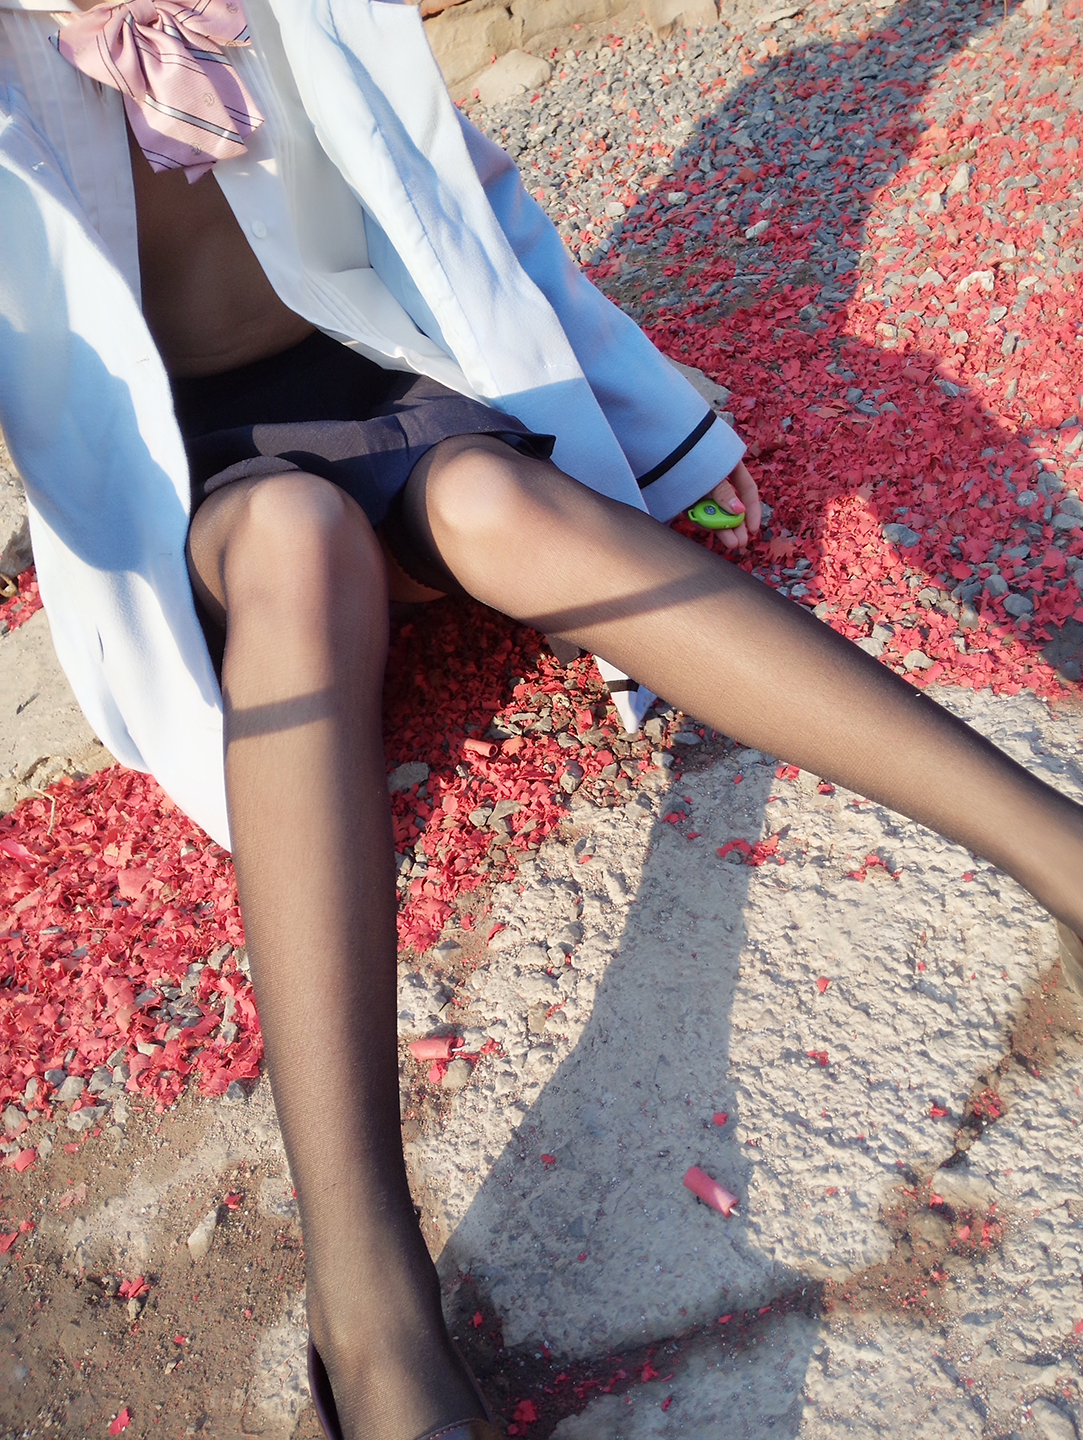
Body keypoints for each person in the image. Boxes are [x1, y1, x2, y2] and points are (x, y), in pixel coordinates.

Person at [1, 0, 1081, 1436]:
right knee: (298, 548)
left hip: (375, 365)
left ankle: (1059, 846)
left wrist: (656, 421)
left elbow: (454, 190)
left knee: (496, 498)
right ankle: (366, 1307)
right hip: (187, 482)